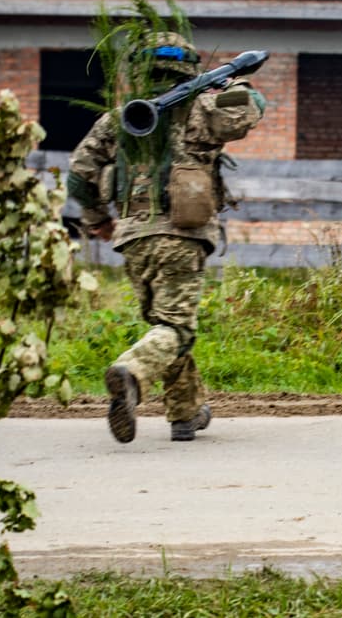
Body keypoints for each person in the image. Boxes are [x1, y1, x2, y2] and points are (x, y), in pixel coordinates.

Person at [68, 31, 266, 442]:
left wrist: (97, 219)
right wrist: (233, 80)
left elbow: (79, 174)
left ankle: (186, 414)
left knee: (166, 327)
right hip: (182, 236)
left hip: (134, 238)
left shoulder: (119, 118)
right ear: (188, 67)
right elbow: (253, 107)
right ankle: (132, 372)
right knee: (176, 329)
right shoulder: (206, 107)